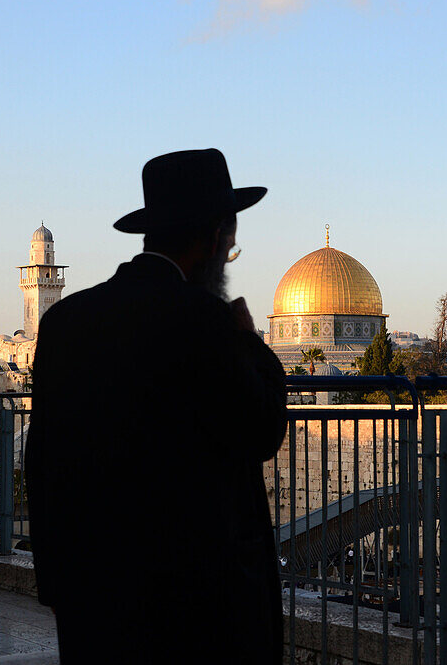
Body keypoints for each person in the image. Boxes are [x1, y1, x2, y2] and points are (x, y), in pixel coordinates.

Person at [25, 148, 288, 664]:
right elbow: (261, 430)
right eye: (230, 249)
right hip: (196, 616)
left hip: (94, 607)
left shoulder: (65, 324)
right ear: (214, 238)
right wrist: (250, 342)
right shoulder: (207, 321)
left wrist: (59, 592)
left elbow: (44, 466)